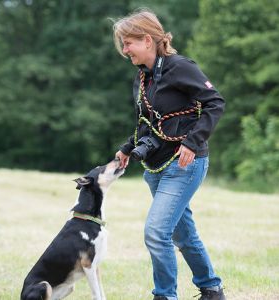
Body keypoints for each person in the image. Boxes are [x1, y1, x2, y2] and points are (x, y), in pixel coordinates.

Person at [112, 8, 226, 300]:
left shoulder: (180, 67)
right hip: (155, 166)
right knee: (181, 234)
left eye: (128, 43)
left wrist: (192, 141)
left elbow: (215, 103)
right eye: (123, 44)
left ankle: (164, 296)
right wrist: (127, 148)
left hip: (186, 163)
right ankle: (212, 289)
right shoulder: (142, 78)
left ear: (147, 40)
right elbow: (147, 122)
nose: (125, 50)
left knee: (156, 232)